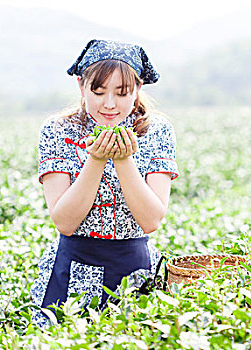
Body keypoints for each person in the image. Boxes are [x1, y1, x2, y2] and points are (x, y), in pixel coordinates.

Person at [30, 39, 178, 326]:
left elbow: (151, 220)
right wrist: (95, 160)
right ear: (81, 87)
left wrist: (123, 161)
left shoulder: (157, 131)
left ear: (137, 90)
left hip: (136, 270)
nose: (109, 104)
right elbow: (64, 221)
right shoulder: (58, 130)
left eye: (122, 93)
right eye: (98, 91)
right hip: (71, 270)